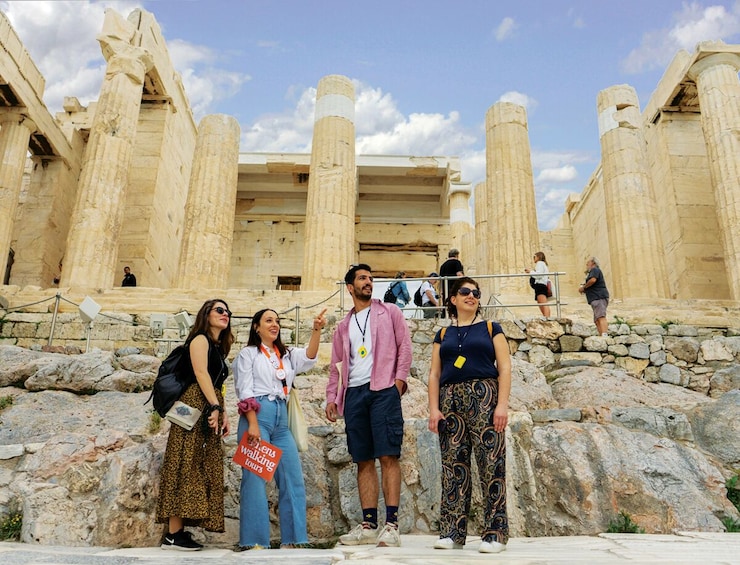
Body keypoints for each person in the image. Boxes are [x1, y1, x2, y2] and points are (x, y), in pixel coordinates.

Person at [326, 264, 412, 548]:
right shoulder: (342, 326)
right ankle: (368, 525)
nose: (368, 282)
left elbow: (405, 348)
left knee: (388, 455)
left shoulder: (390, 312)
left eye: (371, 278)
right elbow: (336, 366)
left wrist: (398, 383)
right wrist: (331, 398)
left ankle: (391, 524)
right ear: (350, 287)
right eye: (362, 278)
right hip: (354, 394)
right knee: (362, 459)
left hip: (383, 390)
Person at [232, 307, 327, 551]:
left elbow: (309, 357)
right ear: (257, 327)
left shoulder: (285, 354)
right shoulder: (248, 354)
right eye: (268, 320)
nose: (274, 324)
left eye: (277, 321)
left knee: (292, 477)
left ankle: (294, 539)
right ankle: (254, 542)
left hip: (281, 420)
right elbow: (245, 389)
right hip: (258, 416)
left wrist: (316, 330)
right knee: (254, 478)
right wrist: (252, 423)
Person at [427, 277, 511, 554]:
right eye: (465, 291)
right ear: (452, 299)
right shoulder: (443, 334)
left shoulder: (491, 328)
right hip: (449, 399)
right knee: (453, 467)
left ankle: (495, 533)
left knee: (491, 465)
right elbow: (435, 373)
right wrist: (433, 408)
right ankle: (452, 532)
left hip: (485, 396)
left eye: (476, 293)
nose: (471, 296)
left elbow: (505, 368)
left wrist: (501, 405)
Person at [157, 299, 234, 551]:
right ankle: (173, 533)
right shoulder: (200, 340)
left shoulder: (217, 347)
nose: (225, 315)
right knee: (184, 461)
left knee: (197, 464)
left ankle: (180, 530)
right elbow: (201, 373)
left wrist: (222, 411)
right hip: (193, 405)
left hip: (208, 404)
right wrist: (214, 407)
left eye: (228, 312)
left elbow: (215, 382)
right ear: (206, 314)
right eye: (219, 310)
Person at [579, 256, 610, 337]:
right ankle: (601, 335)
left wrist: (584, 287)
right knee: (597, 319)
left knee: (600, 316)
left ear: (593, 263)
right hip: (595, 298)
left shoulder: (594, 270)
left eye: (588, 262)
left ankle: (604, 335)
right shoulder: (593, 271)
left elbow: (593, 280)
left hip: (598, 296)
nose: (586, 264)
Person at [524, 251, 551, 318]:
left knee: (543, 302)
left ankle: (547, 318)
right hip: (541, 285)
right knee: (540, 302)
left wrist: (530, 271)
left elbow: (539, 275)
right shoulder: (543, 264)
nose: (534, 258)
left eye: (534, 257)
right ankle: (545, 317)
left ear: (538, 257)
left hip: (540, 285)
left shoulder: (540, 263)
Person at [439, 249, 464, 313]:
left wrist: (441, 291)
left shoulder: (443, 265)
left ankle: (445, 314)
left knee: (447, 302)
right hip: (454, 286)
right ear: (456, 255)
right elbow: (459, 274)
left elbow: (441, 279)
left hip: (445, 288)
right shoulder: (457, 262)